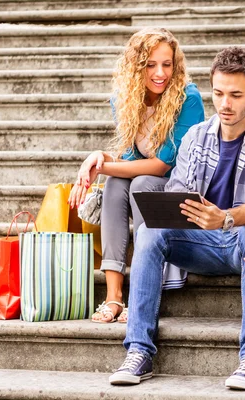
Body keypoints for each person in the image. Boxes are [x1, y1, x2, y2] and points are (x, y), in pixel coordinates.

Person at [108, 47, 245, 390]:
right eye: (219, 94)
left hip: (241, 243)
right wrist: (180, 211)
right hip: (199, 242)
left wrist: (225, 218)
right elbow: (179, 196)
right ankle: (139, 351)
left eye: (236, 95)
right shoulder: (196, 136)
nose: (225, 104)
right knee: (149, 233)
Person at [68, 27, 205, 323]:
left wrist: (101, 167)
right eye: (150, 65)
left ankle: (145, 290)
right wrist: (99, 158)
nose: (160, 73)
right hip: (145, 184)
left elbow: (161, 165)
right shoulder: (125, 100)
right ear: (136, 66)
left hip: (182, 185)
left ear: (175, 65)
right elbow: (130, 158)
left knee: (141, 182)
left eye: (166, 64)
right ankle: (114, 295)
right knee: (117, 182)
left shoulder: (187, 98)